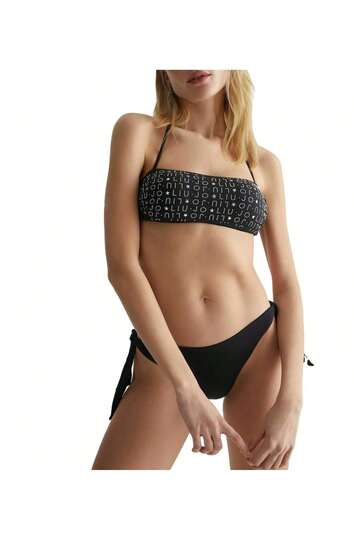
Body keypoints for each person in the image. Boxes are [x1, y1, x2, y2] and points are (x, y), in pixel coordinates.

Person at [92, 70, 312, 471]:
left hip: (257, 352)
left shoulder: (262, 163)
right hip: (164, 359)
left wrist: (292, 402)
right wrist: (185, 387)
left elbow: (286, 284)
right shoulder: (139, 134)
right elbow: (122, 267)